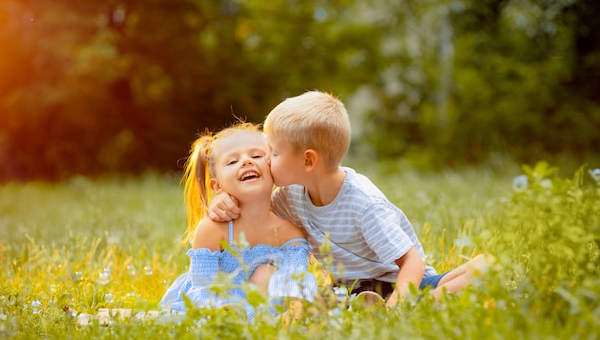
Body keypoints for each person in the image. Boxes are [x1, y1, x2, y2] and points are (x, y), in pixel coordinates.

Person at [209, 91, 492, 309]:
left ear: (308, 161)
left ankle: (417, 304)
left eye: (273, 152)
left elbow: (412, 262)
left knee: (488, 267)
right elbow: (253, 214)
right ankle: (362, 308)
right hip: (347, 290)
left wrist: (398, 307)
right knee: (304, 296)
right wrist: (224, 199)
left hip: (404, 283)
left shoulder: (363, 203)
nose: (266, 159)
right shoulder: (291, 196)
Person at [160, 121, 317, 322]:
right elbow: (202, 285)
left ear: (274, 169)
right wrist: (222, 311)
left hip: (266, 310)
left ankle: (258, 323)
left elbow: (297, 282)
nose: (246, 162)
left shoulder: (289, 234)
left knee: (266, 272)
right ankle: (236, 323)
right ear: (216, 186)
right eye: (232, 162)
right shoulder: (214, 228)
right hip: (215, 305)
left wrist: (298, 309)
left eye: (257, 156)